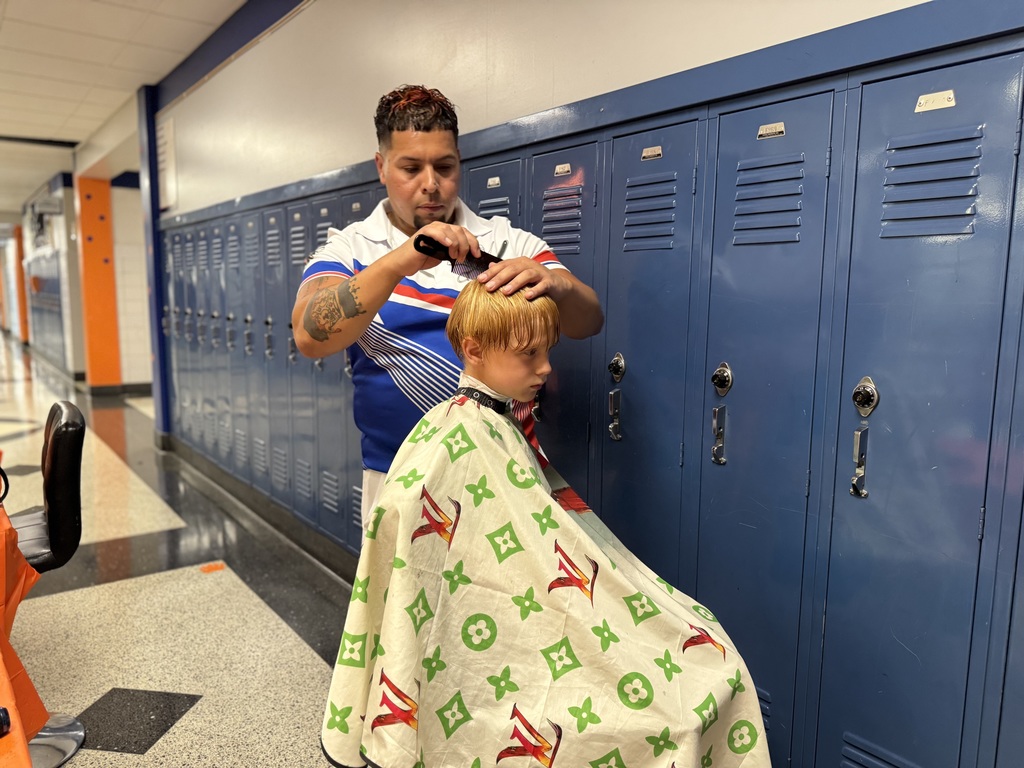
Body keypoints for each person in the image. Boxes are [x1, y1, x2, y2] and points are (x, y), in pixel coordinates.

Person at [320, 281, 770, 767]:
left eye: (547, 351)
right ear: (474, 350)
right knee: (696, 684)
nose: (546, 368)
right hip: (503, 652)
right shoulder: (457, 437)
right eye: (528, 353)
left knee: (710, 649)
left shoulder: (488, 426)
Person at [292, 85, 604, 524]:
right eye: (410, 168)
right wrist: (401, 260)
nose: (431, 184)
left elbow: (589, 320)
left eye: (444, 166)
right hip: (398, 478)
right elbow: (309, 335)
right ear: (381, 167)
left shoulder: (508, 242)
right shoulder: (349, 250)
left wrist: (556, 284)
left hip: (505, 474)